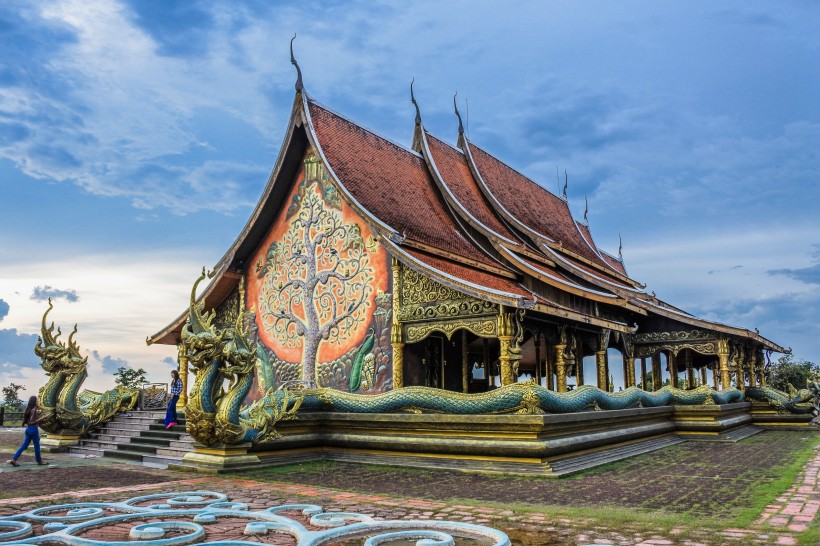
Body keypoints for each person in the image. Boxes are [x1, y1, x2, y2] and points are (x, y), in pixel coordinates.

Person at [7, 396, 48, 466]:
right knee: (37, 446)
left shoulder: (28, 409)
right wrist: (42, 418)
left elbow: (29, 421)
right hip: (33, 429)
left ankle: (14, 459)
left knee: (24, 446)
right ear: (35, 401)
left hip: (28, 429)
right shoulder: (34, 410)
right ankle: (39, 461)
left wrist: (38, 406)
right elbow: (32, 421)